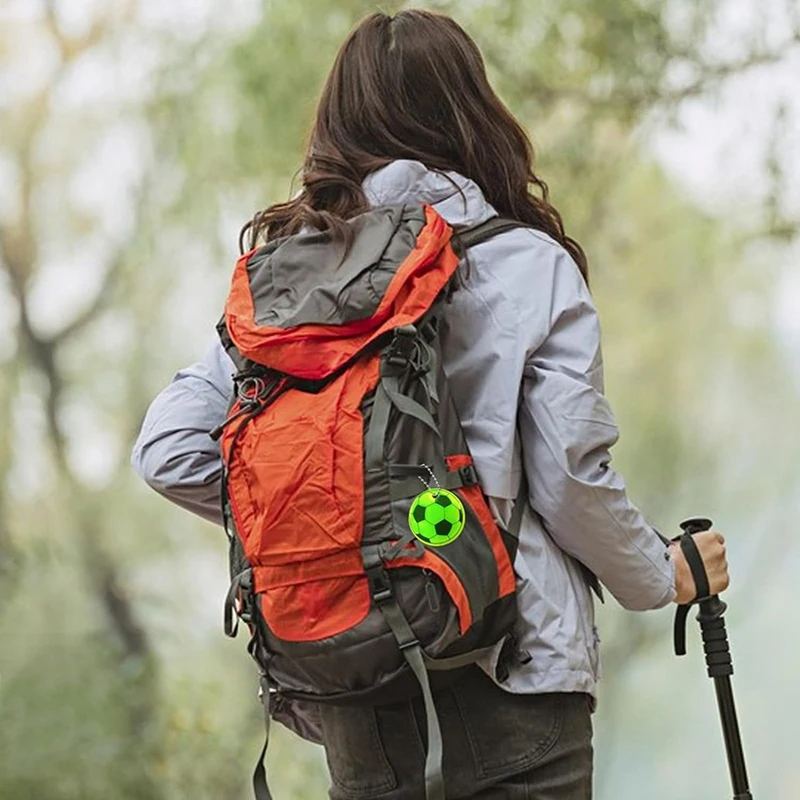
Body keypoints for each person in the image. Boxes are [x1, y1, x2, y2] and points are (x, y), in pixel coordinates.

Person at [132, 9, 730, 799]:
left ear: (337, 129)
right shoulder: (526, 264)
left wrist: (336, 526)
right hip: (512, 686)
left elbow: (169, 450)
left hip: (358, 701)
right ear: (472, 112)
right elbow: (568, 481)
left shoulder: (284, 289)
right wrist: (665, 574)